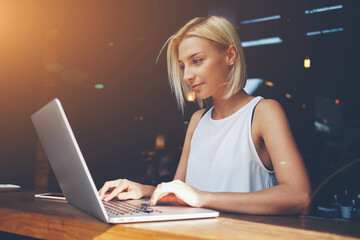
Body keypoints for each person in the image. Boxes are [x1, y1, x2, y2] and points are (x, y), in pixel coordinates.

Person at [99, 16, 311, 215]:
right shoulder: (197, 120)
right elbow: (179, 191)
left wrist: (203, 197)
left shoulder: (263, 112)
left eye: (197, 60)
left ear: (230, 55)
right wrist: (142, 190)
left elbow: (298, 196)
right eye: (183, 66)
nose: (187, 75)